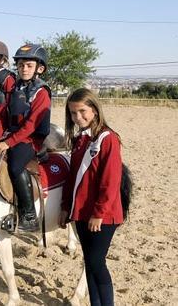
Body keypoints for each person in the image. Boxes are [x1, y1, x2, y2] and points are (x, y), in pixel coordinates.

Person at [59, 88, 124, 306]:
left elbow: (110, 181)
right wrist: (66, 207)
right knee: (89, 263)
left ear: (95, 110)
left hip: (101, 216)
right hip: (81, 213)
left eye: (83, 111)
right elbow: (71, 178)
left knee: (97, 264)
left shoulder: (108, 138)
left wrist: (99, 213)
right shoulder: (80, 139)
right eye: (73, 113)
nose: (78, 117)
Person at [0, 44, 52, 232]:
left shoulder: (41, 93)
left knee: (15, 166)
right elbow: (3, 116)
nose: (24, 69)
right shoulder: (15, 88)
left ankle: (29, 215)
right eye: (21, 65)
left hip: (31, 139)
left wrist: (7, 143)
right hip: (13, 134)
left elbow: (31, 125)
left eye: (29, 65)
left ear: (39, 69)